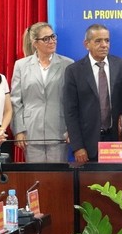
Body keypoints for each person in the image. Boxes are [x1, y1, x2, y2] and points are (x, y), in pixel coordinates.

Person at [63, 24, 122, 163]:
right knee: (91, 183)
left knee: (119, 182)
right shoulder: (74, 71)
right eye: (98, 41)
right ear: (86, 44)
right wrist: (78, 146)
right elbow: (70, 111)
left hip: (117, 140)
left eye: (107, 40)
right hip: (89, 143)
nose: (104, 45)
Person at [10, 22, 74, 162]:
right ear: (35, 43)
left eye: (53, 37)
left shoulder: (67, 64)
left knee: (57, 178)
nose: (52, 41)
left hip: (59, 131)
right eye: (46, 39)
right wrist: (19, 130)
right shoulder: (21, 65)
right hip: (31, 133)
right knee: (36, 177)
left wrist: (72, 129)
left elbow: (73, 102)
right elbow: (16, 101)